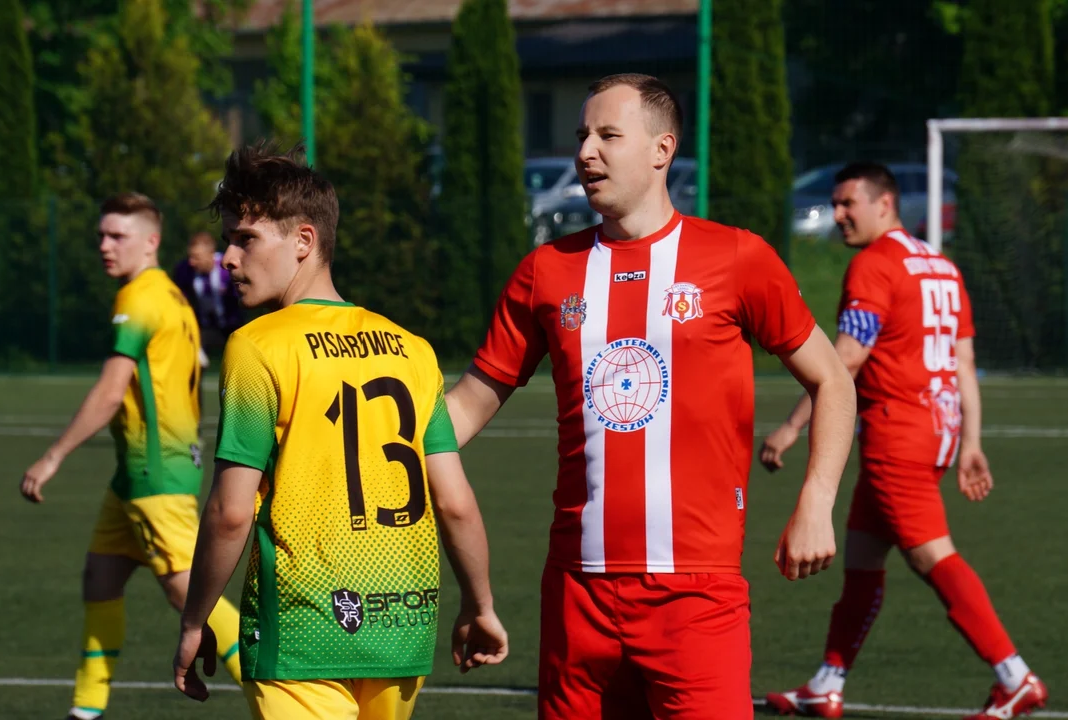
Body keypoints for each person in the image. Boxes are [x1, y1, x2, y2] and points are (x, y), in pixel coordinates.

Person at [444, 73, 857, 719]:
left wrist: (816, 500)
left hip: (696, 593)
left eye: (608, 135)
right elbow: (470, 402)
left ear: (662, 149)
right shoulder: (544, 271)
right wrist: (380, 443)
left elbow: (832, 379)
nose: (585, 152)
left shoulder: (737, 258)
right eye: (582, 135)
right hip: (576, 590)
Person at [172, 143, 508, 720]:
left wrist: (194, 619)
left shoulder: (257, 346)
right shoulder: (412, 349)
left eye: (245, 239)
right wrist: (480, 605)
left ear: (304, 240)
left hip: (301, 631)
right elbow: (454, 502)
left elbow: (231, 512)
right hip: (400, 630)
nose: (228, 258)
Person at [761, 162, 1047, 719]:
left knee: (932, 555)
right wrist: (970, 443)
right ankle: (827, 683)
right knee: (863, 559)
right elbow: (964, 362)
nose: (838, 215)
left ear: (884, 204)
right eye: (836, 204)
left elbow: (846, 358)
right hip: (935, 430)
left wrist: (792, 426)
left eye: (849, 203)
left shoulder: (875, 264)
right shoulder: (942, 266)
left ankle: (1014, 676)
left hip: (897, 434)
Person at [18, 193, 243, 720]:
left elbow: (110, 391)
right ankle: (87, 708)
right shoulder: (171, 296)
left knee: (191, 596)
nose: (104, 245)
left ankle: (280, 698)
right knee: (100, 578)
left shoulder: (138, 299)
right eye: (101, 235)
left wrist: (53, 456)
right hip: (139, 473)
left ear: (151, 242)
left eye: (117, 236)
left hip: (154, 472)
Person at [172, 231, 242, 367]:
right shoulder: (184, 271)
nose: (192, 262)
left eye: (196, 257)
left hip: (232, 325)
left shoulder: (227, 269)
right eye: (190, 257)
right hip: (204, 327)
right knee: (191, 359)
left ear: (211, 254)